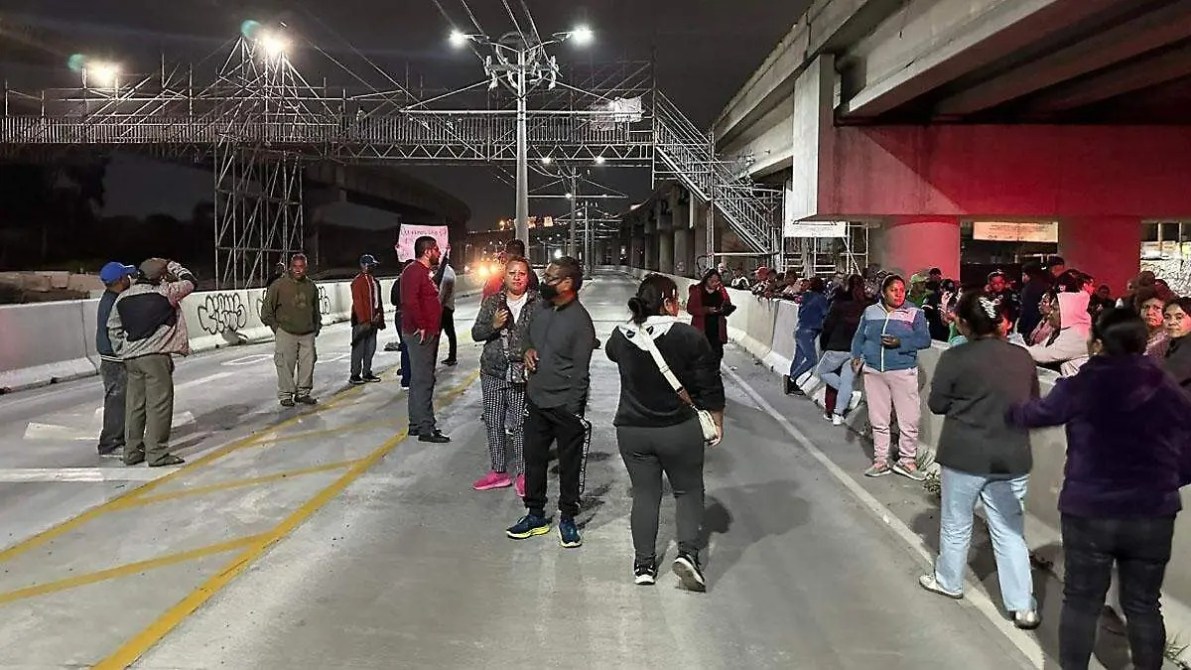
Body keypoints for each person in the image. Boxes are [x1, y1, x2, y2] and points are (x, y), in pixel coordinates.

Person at [1008, 308, 1191, 670]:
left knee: (1081, 600)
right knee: (1143, 604)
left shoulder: (1084, 383)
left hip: (1090, 509)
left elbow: (1037, 415)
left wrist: (1006, 407)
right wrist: (1169, 479)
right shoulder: (1167, 385)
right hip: (1152, 511)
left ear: (1098, 342)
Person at [919, 291, 1041, 630]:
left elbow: (937, 404)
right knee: (1009, 531)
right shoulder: (1022, 357)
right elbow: (1033, 402)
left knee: (957, 523)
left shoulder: (956, 357)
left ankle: (949, 581)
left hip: (965, 453)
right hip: (1011, 454)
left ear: (963, 323)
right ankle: (1023, 607)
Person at [606, 274, 725, 589]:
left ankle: (643, 565)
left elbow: (611, 351)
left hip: (631, 431)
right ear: (668, 302)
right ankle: (687, 554)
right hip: (677, 430)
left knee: (645, 495)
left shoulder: (621, 336)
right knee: (687, 491)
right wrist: (716, 421)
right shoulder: (687, 336)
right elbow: (709, 384)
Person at [506, 256, 596, 549]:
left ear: (567, 284)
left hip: (564, 406)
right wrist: (529, 349)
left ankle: (568, 518)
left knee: (569, 466)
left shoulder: (581, 323)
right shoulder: (542, 309)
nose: (543, 282)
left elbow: (582, 373)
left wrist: (572, 411)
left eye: (550, 278)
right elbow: (527, 336)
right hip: (536, 400)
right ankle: (535, 514)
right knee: (534, 460)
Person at [107, 258, 196, 467]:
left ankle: (132, 451)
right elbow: (191, 282)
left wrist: (122, 350)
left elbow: (113, 327)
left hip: (131, 358)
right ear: (161, 276)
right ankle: (157, 453)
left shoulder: (123, 297)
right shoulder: (166, 292)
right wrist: (174, 265)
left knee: (135, 406)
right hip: (155, 357)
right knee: (159, 406)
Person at [850, 274, 932, 480]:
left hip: (903, 371)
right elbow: (859, 336)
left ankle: (907, 461)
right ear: (884, 292)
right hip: (874, 371)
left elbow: (924, 339)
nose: (898, 294)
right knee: (879, 418)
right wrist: (856, 356)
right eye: (894, 290)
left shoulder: (914, 312)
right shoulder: (870, 312)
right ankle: (880, 461)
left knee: (909, 419)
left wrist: (900, 343)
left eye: (902, 290)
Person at [470, 257, 538, 496]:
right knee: (493, 422)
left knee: (520, 425)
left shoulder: (537, 304)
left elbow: (545, 337)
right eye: (512, 273)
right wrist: (493, 325)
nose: (517, 277)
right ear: (504, 276)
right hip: (492, 372)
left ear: (527, 277)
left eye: (521, 273)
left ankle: (523, 473)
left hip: (521, 374)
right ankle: (498, 472)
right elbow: (476, 333)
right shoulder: (492, 303)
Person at [400, 236, 450, 443]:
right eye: (437, 250)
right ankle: (426, 428)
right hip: (421, 334)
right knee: (424, 380)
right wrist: (421, 325)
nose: (438, 253)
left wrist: (446, 257)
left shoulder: (423, 273)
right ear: (428, 251)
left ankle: (415, 423)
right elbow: (410, 301)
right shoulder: (413, 271)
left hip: (427, 332)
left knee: (419, 380)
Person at [261, 254, 321, 407]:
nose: (298, 270)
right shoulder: (278, 285)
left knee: (308, 365)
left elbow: (315, 310)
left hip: (307, 333)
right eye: (295, 266)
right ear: (290, 267)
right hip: (286, 331)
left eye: (301, 266)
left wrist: (316, 325)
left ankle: (303, 393)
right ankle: (286, 395)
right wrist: (277, 328)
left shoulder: (311, 286)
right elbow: (266, 311)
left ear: (306, 267)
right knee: (285, 365)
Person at [95, 261, 138, 457]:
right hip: (114, 357)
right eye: (127, 276)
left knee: (121, 398)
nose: (130, 278)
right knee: (117, 400)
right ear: (120, 280)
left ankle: (120, 438)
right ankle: (111, 443)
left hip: (110, 354)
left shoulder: (111, 298)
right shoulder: (114, 302)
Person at [816, 275, 868, 425]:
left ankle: (849, 396)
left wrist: (824, 344)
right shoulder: (867, 306)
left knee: (822, 372)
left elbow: (828, 325)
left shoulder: (839, 304)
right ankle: (838, 414)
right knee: (847, 381)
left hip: (837, 346)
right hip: (857, 349)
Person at [1025, 289, 1091, 377]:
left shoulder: (1078, 334)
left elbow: (1046, 355)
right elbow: (1041, 348)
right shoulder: (1059, 330)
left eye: (1055, 309)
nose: (1050, 313)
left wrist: (1017, 347)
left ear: (1068, 312)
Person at [785, 277, 828, 395]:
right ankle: (792, 379)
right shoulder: (821, 299)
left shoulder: (805, 296)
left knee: (798, 357)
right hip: (809, 331)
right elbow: (825, 313)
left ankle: (791, 384)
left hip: (799, 329)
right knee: (812, 359)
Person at [349, 254, 384, 385]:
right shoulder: (358, 282)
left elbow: (377, 301)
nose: (373, 267)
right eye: (371, 265)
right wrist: (364, 320)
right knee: (359, 348)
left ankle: (367, 372)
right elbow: (358, 303)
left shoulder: (373, 281)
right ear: (363, 265)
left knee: (370, 347)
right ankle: (355, 374)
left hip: (373, 320)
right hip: (361, 321)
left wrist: (379, 316)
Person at [687, 269, 734, 364]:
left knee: (717, 355)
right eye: (712, 281)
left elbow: (727, 303)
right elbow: (690, 309)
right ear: (706, 280)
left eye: (717, 281)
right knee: (701, 356)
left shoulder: (720, 291)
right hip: (702, 328)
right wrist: (706, 310)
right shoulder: (697, 291)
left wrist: (723, 308)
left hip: (717, 328)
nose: (715, 283)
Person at [1162, 296, 1191, 389]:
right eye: (1167, 317)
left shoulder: (1187, 347)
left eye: (1179, 317)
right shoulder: (1176, 343)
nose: (1171, 322)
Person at [437, 256, 458, 366]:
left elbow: (446, 292)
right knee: (450, 333)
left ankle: (452, 357)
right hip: (447, 307)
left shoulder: (447, 274)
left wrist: (440, 306)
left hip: (445, 308)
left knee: (438, 334)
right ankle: (452, 356)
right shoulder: (449, 271)